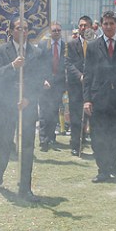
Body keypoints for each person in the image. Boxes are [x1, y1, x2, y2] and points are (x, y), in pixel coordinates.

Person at [0, 19, 46, 201]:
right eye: (19, 28)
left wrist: (28, 98)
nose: (23, 31)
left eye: (26, 28)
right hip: (6, 106)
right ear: (11, 31)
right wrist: (12, 66)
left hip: (27, 107)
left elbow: (39, 79)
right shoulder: (0, 50)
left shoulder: (36, 52)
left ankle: (25, 187)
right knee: (3, 145)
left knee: (27, 147)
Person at [83, 11, 116, 182]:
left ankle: (114, 163)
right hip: (98, 98)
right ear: (101, 25)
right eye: (105, 24)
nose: (108, 27)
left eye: (111, 23)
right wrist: (87, 100)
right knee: (98, 136)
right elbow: (88, 74)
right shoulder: (93, 46)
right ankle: (103, 169)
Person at [38, 22, 66, 151]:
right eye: (54, 30)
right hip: (45, 83)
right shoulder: (44, 44)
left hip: (59, 84)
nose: (56, 32)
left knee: (54, 112)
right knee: (44, 112)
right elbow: (39, 63)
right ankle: (43, 139)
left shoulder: (64, 46)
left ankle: (51, 137)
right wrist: (43, 79)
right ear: (50, 32)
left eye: (58, 30)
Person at [65, 15, 91, 156]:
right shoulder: (71, 44)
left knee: (88, 115)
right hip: (76, 85)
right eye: (81, 25)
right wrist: (80, 75)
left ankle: (84, 139)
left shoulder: (95, 43)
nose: (83, 28)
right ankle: (75, 144)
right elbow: (68, 63)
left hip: (91, 86)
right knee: (75, 116)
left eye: (85, 25)